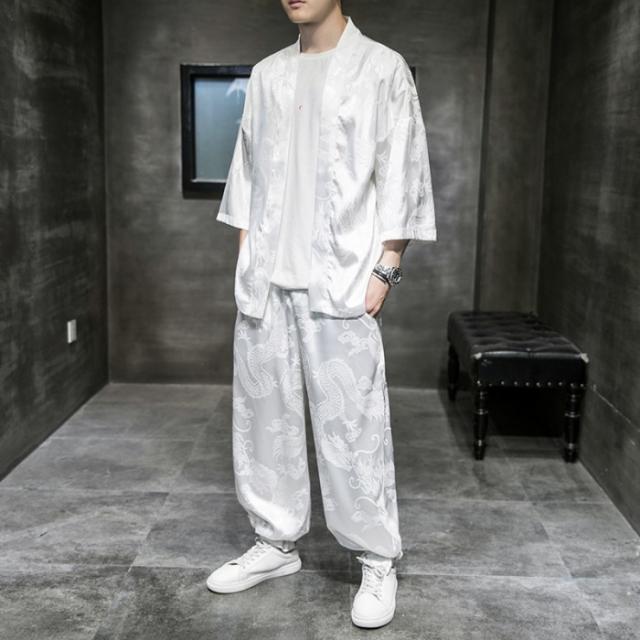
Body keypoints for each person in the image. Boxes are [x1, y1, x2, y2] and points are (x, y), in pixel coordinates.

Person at [207, 0, 437, 629]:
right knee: (264, 421)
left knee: (354, 427)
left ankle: (378, 559)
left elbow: (402, 171)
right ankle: (275, 542)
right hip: (267, 284)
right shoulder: (267, 74)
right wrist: (247, 258)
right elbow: (246, 175)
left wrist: (387, 266)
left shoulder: (382, 68)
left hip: (341, 282)